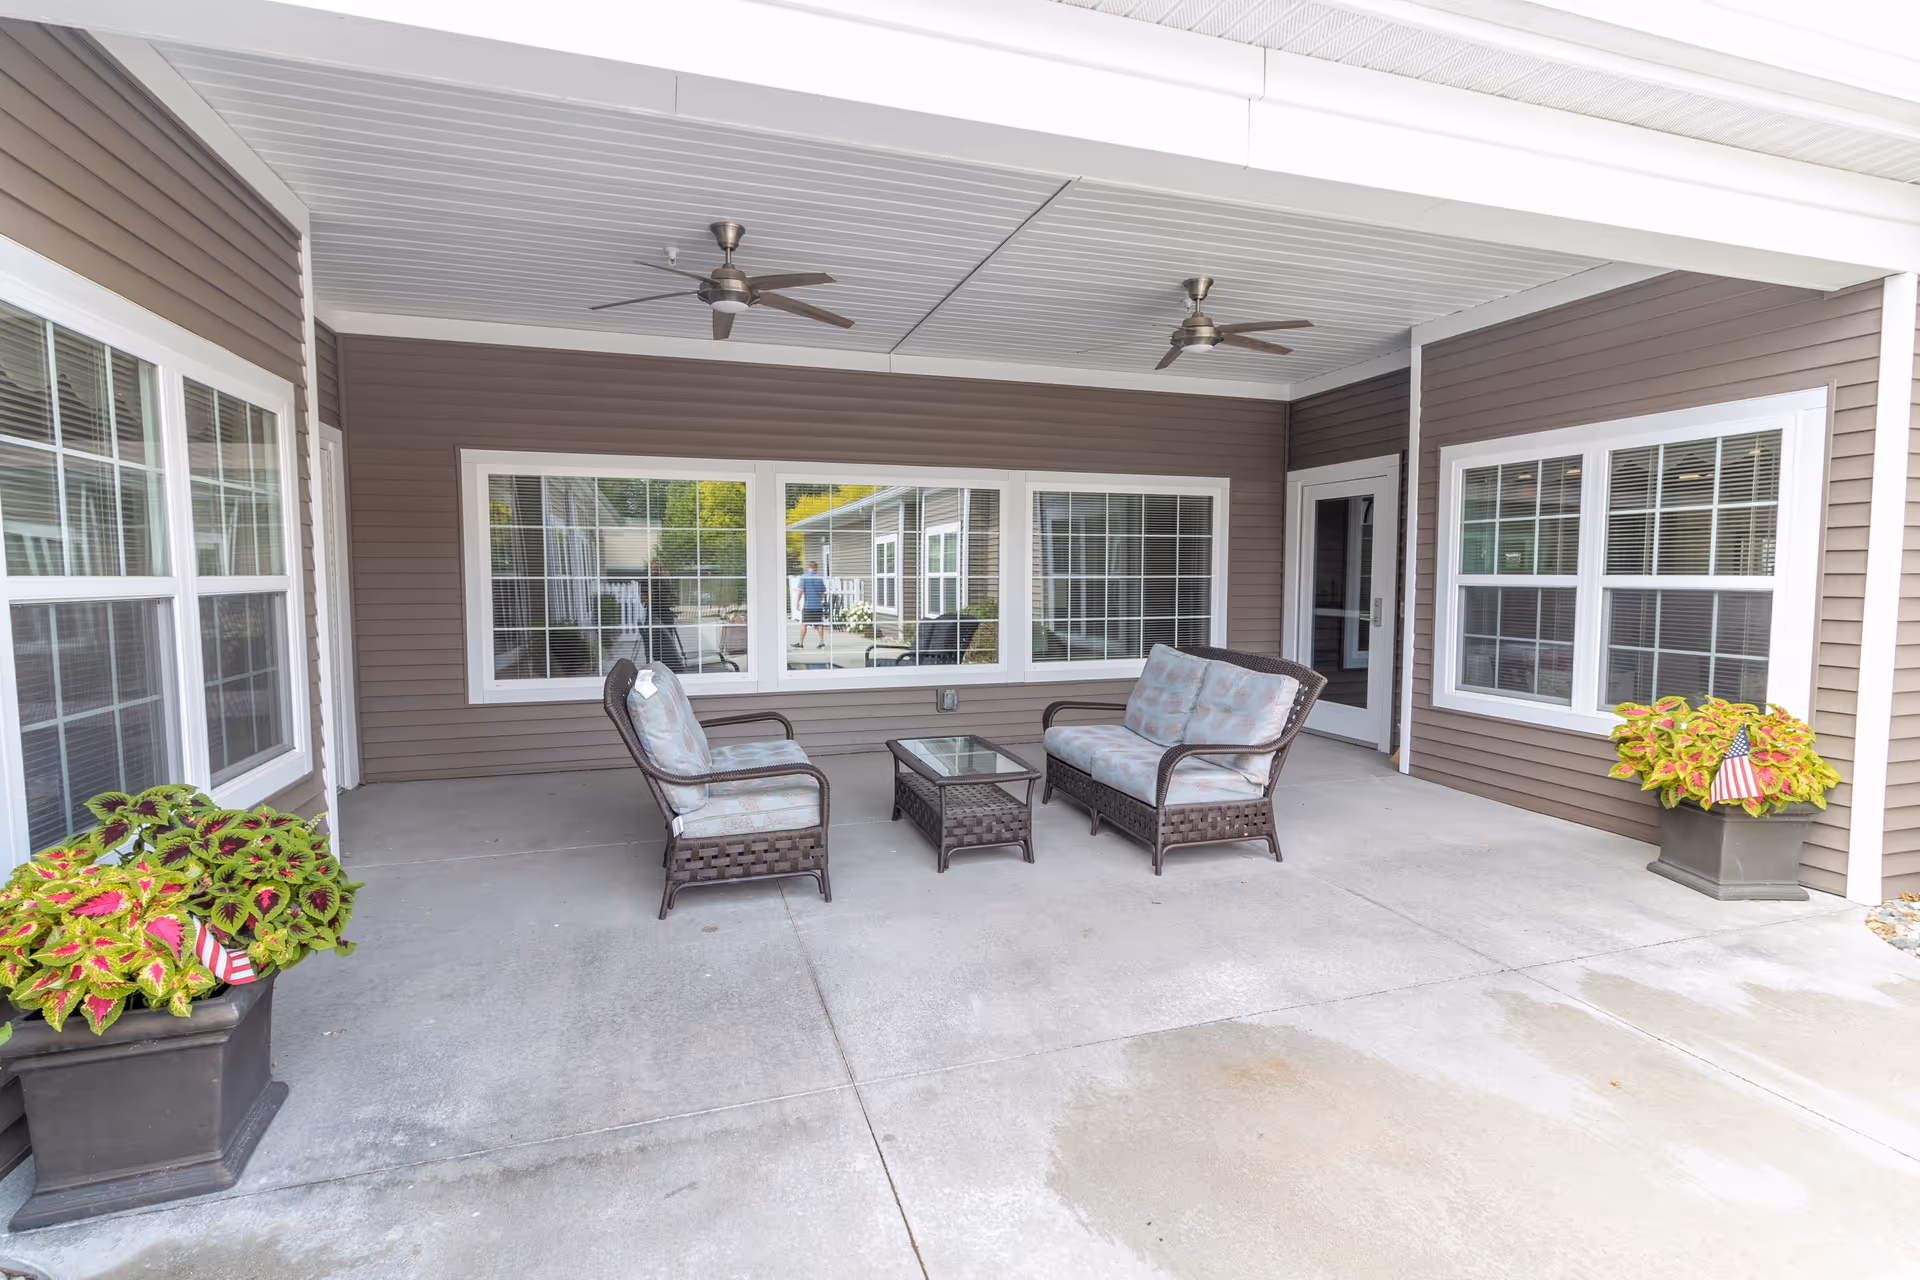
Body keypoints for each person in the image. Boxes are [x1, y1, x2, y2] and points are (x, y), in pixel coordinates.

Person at [797, 561, 828, 649]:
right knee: (819, 624)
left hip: (808, 605)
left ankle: (801, 642)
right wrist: (819, 600)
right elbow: (822, 594)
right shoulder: (819, 579)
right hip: (817, 606)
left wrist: (797, 602)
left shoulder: (804, 578)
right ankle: (821, 641)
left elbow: (801, 591)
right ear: (816, 568)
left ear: (808, 567)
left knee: (804, 624)